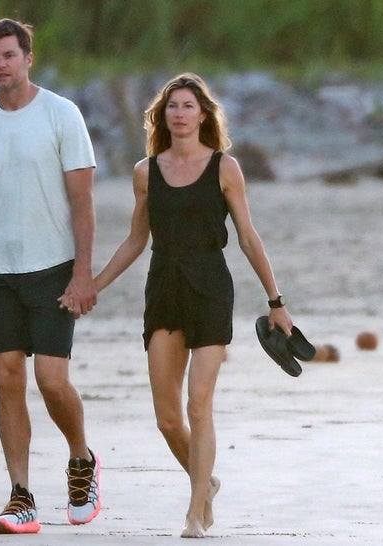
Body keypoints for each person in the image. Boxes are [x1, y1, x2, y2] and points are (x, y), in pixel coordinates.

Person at [69, 73, 294, 538]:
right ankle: (206, 483)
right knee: (168, 417)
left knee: (198, 406)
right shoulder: (145, 172)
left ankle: (195, 513)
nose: (180, 113)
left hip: (211, 288)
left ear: (203, 114)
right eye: (172, 106)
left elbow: (249, 238)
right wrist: (94, 284)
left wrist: (276, 302)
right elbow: (136, 239)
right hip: (164, 289)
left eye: (188, 106)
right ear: (162, 115)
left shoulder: (225, 168)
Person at [0, 18, 101, 535]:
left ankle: (82, 461)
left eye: (9, 55)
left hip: (54, 269)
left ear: (28, 58)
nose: (0, 65)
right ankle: (21, 496)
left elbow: (83, 202)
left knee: (51, 381)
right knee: (6, 377)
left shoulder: (62, 115)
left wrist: (84, 275)